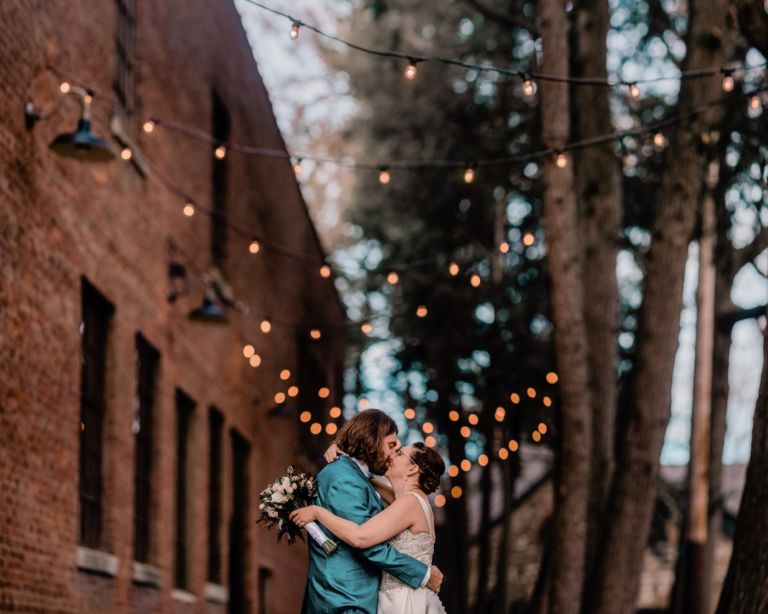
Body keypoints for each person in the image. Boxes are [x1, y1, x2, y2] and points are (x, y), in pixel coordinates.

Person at [295, 409, 443, 613]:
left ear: (412, 469)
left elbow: (361, 537)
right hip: (343, 598)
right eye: (392, 447)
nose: (393, 454)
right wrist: (345, 452)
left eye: (398, 452)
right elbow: (364, 540)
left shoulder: (407, 501)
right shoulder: (347, 479)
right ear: (372, 440)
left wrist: (318, 512)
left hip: (393, 599)